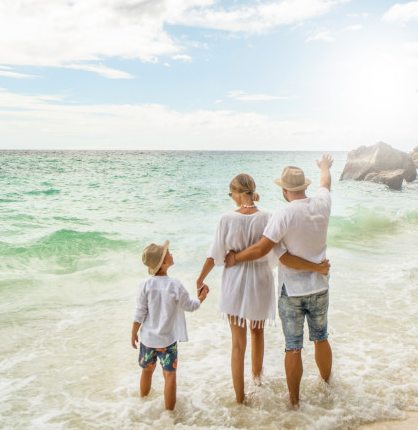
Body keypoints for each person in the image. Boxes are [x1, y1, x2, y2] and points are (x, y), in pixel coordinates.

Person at [197, 174, 329, 404]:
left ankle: (240, 398)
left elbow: (214, 255)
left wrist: (200, 279)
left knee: (237, 343)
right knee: (257, 332)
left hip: (235, 281)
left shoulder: (226, 219)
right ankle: (257, 382)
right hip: (261, 279)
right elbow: (276, 252)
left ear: (237, 193)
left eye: (231, 194)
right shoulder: (269, 216)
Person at [132, 240, 208, 411]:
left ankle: (142, 404)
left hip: (147, 340)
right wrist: (201, 297)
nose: (171, 253)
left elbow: (139, 311)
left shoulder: (145, 284)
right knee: (170, 376)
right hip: (167, 342)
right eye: (169, 253)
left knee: (146, 371)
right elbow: (190, 306)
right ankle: (169, 414)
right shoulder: (175, 285)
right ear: (164, 262)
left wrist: (133, 333)